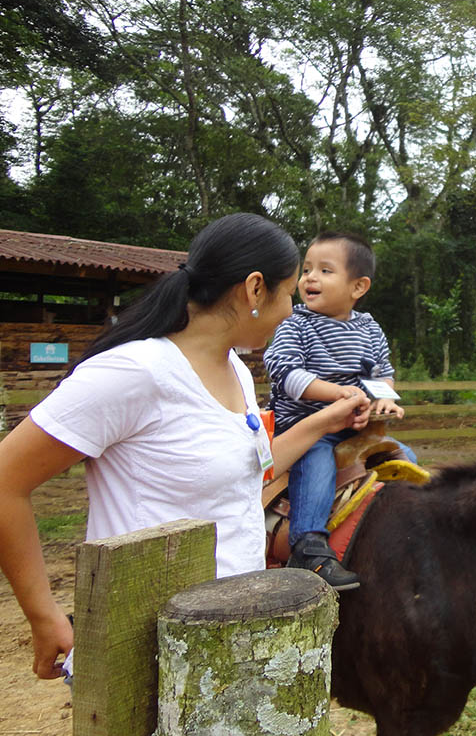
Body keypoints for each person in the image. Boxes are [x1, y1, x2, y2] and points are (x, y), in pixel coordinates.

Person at [0, 213, 371, 681]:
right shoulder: (133, 373)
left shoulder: (234, 367)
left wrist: (325, 421)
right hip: (144, 651)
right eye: (289, 292)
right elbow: (4, 482)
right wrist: (42, 612)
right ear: (255, 289)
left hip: (228, 634)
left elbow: (245, 472)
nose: (292, 312)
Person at [263, 232, 411, 591]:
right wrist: (339, 395)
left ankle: (410, 525)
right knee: (316, 461)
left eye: (325, 270)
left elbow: (381, 375)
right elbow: (285, 373)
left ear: (358, 287)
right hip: (303, 426)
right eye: (307, 269)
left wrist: (383, 400)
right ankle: (308, 544)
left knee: (403, 455)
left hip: (354, 424)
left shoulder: (369, 328)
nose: (309, 278)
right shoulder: (294, 324)